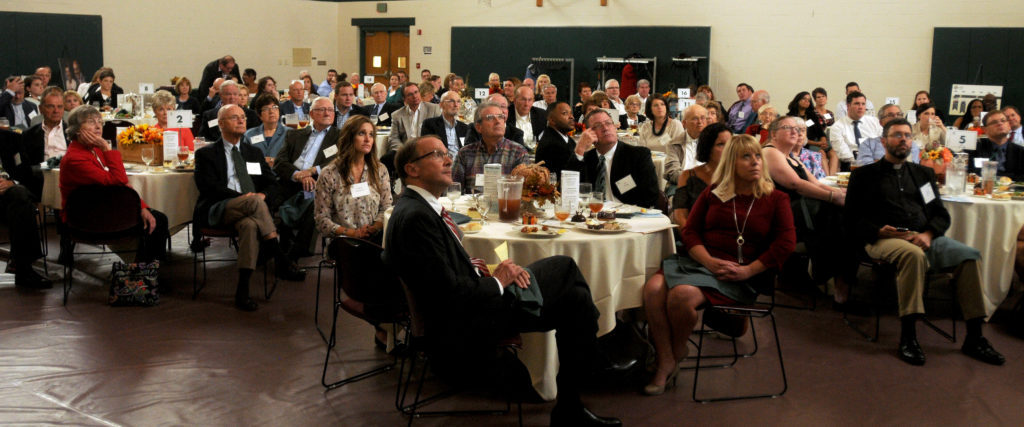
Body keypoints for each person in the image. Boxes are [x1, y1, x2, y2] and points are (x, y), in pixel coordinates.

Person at [385, 135, 621, 427]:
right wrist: (497, 282)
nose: (448, 160)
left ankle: (571, 406)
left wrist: (496, 272)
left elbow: (443, 275)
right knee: (565, 267)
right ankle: (597, 362)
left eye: (447, 153)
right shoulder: (416, 218)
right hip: (462, 324)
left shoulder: (415, 208)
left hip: (472, 304)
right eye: (436, 154)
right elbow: (448, 296)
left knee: (575, 301)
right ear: (412, 170)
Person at [642, 134, 795, 395]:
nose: (755, 162)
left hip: (742, 272)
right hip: (702, 260)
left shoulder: (776, 198)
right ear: (731, 164)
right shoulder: (714, 192)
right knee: (653, 289)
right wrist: (708, 261)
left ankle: (673, 354)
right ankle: (668, 356)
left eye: (758, 156)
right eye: (746, 157)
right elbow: (690, 232)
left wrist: (749, 270)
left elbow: (785, 243)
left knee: (681, 296)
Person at [845, 118, 1005, 366]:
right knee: (913, 255)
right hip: (882, 239)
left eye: (908, 135)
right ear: (883, 141)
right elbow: (851, 219)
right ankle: (908, 336)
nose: (903, 140)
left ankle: (974, 337)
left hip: (922, 236)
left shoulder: (923, 174)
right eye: (897, 135)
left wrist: (928, 234)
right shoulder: (864, 176)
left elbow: (940, 214)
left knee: (969, 254)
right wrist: (878, 230)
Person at [193, 105, 304, 311]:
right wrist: (247, 199)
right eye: (234, 117)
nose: (241, 120)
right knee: (253, 202)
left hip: (250, 211)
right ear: (221, 124)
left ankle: (242, 291)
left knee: (250, 226)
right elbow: (208, 188)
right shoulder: (206, 154)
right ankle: (279, 255)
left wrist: (263, 195)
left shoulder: (253, 152)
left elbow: (272, 183)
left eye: (243, 117)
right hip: (219, 208)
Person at [60, 105, 169, 265]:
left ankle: (142, 270)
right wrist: (106, 148)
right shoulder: (75, 158)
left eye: (100, 122)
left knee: (156, 219)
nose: (98, 126)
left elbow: (122, 182)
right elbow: (118, 180)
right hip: (88, 216)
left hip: (104, 207)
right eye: (91, 122)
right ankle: (142, 274)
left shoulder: (93, 150)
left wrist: (142, 206)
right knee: (157, 222)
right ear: (77, 130)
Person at [763, 116, 846, 284]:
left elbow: (815, 183)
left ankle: (833, 272)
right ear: (773, 134)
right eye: (788, 128)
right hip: (781, 215)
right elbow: (796, 184)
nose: (795, 132)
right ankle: (827, 274)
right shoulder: (770, 152)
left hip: (800, 209)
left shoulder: (791, 156)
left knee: (844, 210)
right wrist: (832, 197)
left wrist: (841, 194)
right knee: (833, 212)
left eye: (798, 129)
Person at [273, 97, 342, 261]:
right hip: (291, 182)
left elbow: (338, 162)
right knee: (266, 200)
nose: (327, 113)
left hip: (320, 183)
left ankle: (294, 253)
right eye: (322, 109)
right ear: (311, 113)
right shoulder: (294, 134)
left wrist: (312, 172)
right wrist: (297, 175)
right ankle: (272, 249)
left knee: (315, 202)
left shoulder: (340, 136)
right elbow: (279, 162)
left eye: (330, 110)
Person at [314, 115, 391, 247]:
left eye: (371, 135)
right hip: (343, 241)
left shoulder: (380, 170)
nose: (367, 139)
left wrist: (373, 228)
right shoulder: (329, 173)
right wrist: (353, 233)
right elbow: (322, 220)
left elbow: (386, 208)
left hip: (374, 238)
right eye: (362, 133)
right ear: (349, 137)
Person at [565, 109, 660, 208]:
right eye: (598, 126)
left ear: (614, 126)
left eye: (608, 123)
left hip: (628, 215)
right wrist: (580, 148)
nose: (605, 128)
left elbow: (651, 196)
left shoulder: (638, 155)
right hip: (592, 214)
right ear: (589, 133)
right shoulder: (587, 158)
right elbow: (567, 189)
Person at [451, 102, 529, 190]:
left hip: (506, 203)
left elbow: (525, 192)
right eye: (490, 118)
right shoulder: (465, 153)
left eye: (500, 117)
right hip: (472, 203)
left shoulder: (518, 152)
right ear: (478, 127)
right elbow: (453, 189)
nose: (498, 121)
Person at [671, 123, 730, 227]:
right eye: (721, 144)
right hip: (695, 234)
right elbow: (680, 216)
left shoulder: (738, 176)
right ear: (708, 147)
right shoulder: (688, 176)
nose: (728, 149)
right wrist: (692, 239)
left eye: (730, 144)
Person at [830, 91, 882, 171]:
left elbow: (882, 143)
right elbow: (843, 153)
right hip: (852, 164)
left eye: (863, 104)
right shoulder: (837, 127)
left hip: (875, 161)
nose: (861, 107)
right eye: (857, 104)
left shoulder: (874, 122)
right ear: (848, 106)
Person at [971, 110, 1024, 181]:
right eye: (994, 122)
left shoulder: (1020, 151)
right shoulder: (975, 148)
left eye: (1003, 120)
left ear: (1009, 125)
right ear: (985, 129)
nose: (1000, 123)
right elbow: (973, 172)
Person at [24, 86, 67, 170]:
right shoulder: (29, 134)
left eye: (60, 106)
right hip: (40, 178)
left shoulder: (74, 133)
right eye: (51, 106)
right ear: (41, 109)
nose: (56, 111)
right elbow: (25, 166)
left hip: (67, 177)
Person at [664, 104, 707, 186]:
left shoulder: (713, 142)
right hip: (683, 185)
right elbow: (673, 172)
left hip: (708, 185)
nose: (700, 122)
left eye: (703, 118)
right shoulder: (674, 143)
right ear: (684, 123)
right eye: (695, 118)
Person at [421, 90, 469, 156]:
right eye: (451, 101)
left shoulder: (464, 128)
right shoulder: (430, 124)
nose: (456, 105)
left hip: (461, 163)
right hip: (441, 162)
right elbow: (427, 149)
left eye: (458, 101)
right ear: (441, 105)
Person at [535, 101, 576, 178]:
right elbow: (568, 174)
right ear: (552, 120)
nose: (571, 117)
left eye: (571, 113)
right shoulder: (550, 145)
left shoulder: (567, 139)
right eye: (565, 113)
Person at [245, 94, 288, 165]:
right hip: (257, 174)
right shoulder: (249, 135)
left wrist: (274, 162)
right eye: (266, 109)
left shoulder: (290, 133)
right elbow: (246, 162)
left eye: (274, 107)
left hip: (282, 174)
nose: (271, 112)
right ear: (259, 115)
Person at [508, 85, 547, 151]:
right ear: (515, 100)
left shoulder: (541, 114)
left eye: (530, 100)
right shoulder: (506, 115)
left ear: (533, 101)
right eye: (523, 99)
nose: (527, 104)